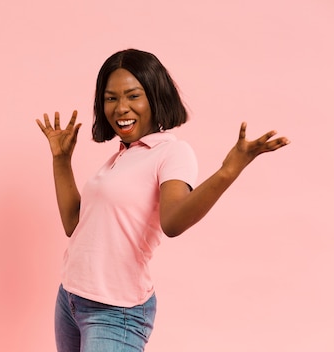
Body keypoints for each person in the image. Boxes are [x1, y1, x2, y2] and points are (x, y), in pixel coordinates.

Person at [35, 49, 290, 352]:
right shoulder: (122, 156)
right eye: (111, 98)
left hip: (115, 312)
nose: (120, 108)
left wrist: (228, 171)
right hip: (70, 298)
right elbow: (74, 225)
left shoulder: (171, 152)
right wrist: (61, 161)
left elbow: (172, 222)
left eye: (133, 96)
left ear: (155, 97)